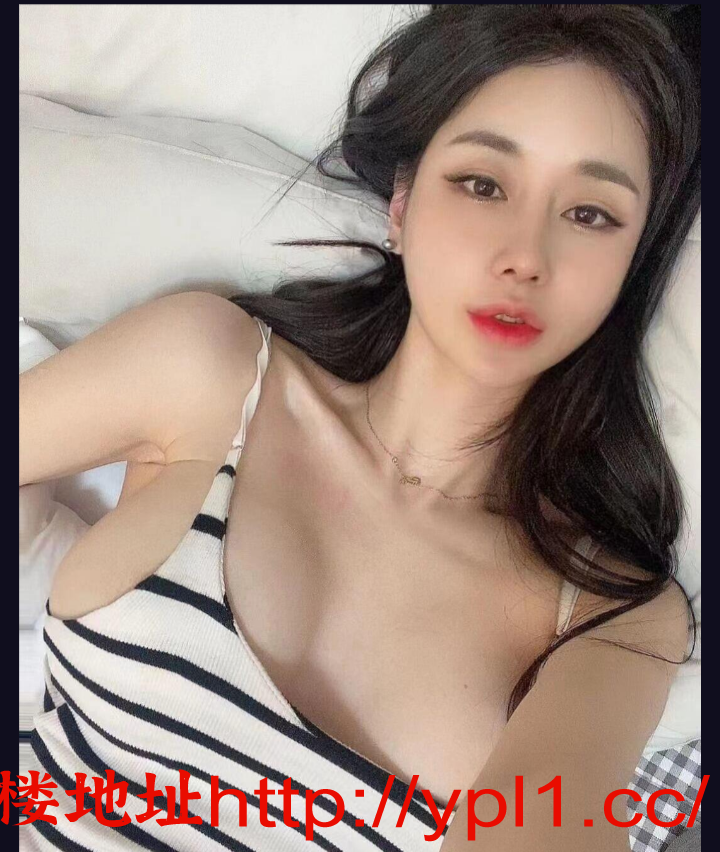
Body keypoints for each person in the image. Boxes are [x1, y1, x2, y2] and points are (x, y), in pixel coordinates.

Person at [19, 5, 700, 851]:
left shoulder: (611, 615)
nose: (527, 256)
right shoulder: (209, 369)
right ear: (402, 205)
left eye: (591, 214)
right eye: (482, 184)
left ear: (631, 265)